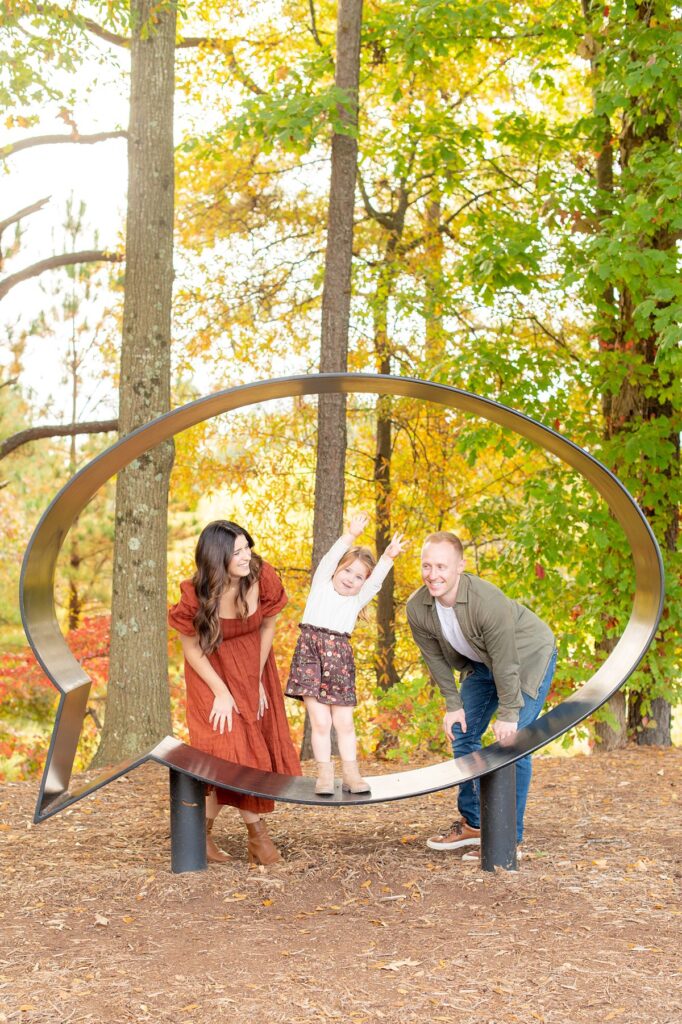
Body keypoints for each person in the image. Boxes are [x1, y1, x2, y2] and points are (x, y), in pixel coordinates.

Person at [406, 531, 557, 859]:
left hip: (527, 658)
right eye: (427, 566)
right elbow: (435, 659)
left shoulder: (487, 601)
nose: (433, 575)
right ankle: (475, 824)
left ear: (460, 566)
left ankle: (507, 839)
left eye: (442, 566)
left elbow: (507, 662)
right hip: (481, 663)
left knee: (513, 745)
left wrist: (508, 713)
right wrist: (453, 704)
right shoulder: (418, 607)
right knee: (463, 733)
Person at [168, 520, 301, 866]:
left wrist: (255, 679)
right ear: (217, 558)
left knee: (239, 757)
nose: (246, 557)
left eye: (247, 548)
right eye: (237, 552)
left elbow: (268, 625)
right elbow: (192, 650)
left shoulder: (261, 576)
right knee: (232, 753)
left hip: (254, 667)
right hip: (211, 675)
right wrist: (222, 692)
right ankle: (260, 841)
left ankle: (202, 836)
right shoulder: (194, 594)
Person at [285, 512, 407, 796]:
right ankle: (324, 775)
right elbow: (329, 558)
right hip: (310, 657)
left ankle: (351, 775)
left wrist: (388, 557)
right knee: (321, 721)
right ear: (337, 570)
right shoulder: (322, 586)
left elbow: (376, 581)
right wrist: (350, 535)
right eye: (347, 571)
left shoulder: (356, 600)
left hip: (339, 660)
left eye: (359, 576)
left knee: (344, 722)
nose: (351, 579)